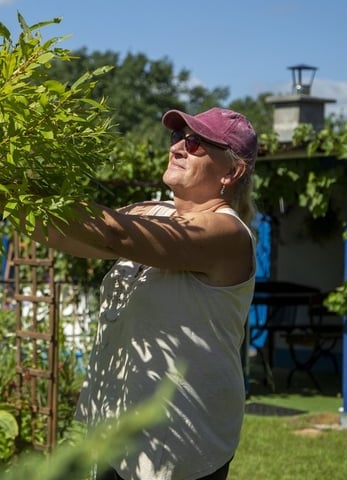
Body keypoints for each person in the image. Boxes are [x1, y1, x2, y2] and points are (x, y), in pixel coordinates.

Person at [31, 107, 258, 480]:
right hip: (117, 433)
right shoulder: (152, 210)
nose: (179, 148)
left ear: (231, 172)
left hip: (178, 444)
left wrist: (15, 192)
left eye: (197, 143)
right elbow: (70, 236)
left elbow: (114, 234)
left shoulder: (227, 235)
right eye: (177, 138)